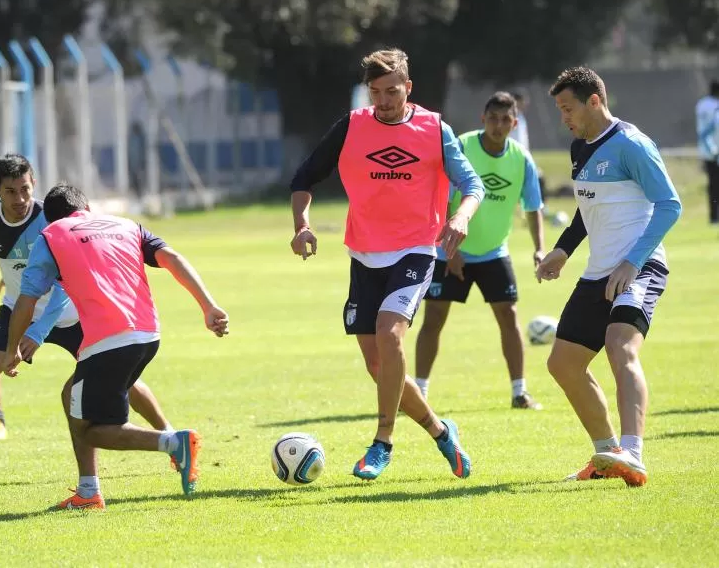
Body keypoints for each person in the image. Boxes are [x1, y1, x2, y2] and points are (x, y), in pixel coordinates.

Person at [0, 154, 174, 475]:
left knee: (124, 383)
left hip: (69, 314)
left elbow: (63, 287)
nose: (20, 199)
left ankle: (171, 437)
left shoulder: (51, 220)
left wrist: (36, 334)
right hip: (16, 309)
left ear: (33, 184)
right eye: (10, 191)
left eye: (25, 189)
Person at [289, 48, 483, 482]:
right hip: (364, 253)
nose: (383, 100)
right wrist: (302, 225)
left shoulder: (434, 129)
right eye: (374, 92)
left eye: (391, 91)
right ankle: (440, 430)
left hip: (416, 249)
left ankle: (382, 443)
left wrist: (460, 216)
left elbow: (472, 184)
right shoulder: (352, 127)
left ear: (408, 87)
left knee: (389, 334)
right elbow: (303, 178)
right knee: (379, 366)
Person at [4, 184, 229, 510]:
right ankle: (89, 489)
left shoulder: (51, 236)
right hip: (148, 335)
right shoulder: (124, 225)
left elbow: (27, 300)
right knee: (72, 396)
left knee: (90, 430)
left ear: (48, 219)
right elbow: (171, 258)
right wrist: (208, 306)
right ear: (87, 208)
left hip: (108, 341)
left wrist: (12, 347)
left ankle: (170, 443)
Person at [537, 66, 681, 487]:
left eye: (568, 108)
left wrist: (632, 262)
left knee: (620, 347)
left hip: (640, 266)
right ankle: (609, 453)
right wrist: (563, 251)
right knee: (562, 365)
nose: (564, 117)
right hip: (599, 271)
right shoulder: (580, 148)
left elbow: (669, 205)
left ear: (595, 101)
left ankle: (634, 454)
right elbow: (588, 209)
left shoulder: (632, 145)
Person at [415, 92, 545, 409]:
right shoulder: (462, 146)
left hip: (493, 252)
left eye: (505, 120)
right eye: (492, 119)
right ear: (482, 119)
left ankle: (519, 392)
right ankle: (419, 392)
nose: (498, 126)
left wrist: (540, 249)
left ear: (514, 123)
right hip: (450, 250)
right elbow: (441, 196)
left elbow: (533, 207)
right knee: (433, 318)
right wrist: (450, 248)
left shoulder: (521, 159)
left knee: (509, 315)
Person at [694, 80, 719, 225]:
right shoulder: (716, 107)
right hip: (715, 150)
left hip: (706, 150)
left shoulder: (701, 105)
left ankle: (713, 216)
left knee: (712, 185)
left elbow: (702, 132)